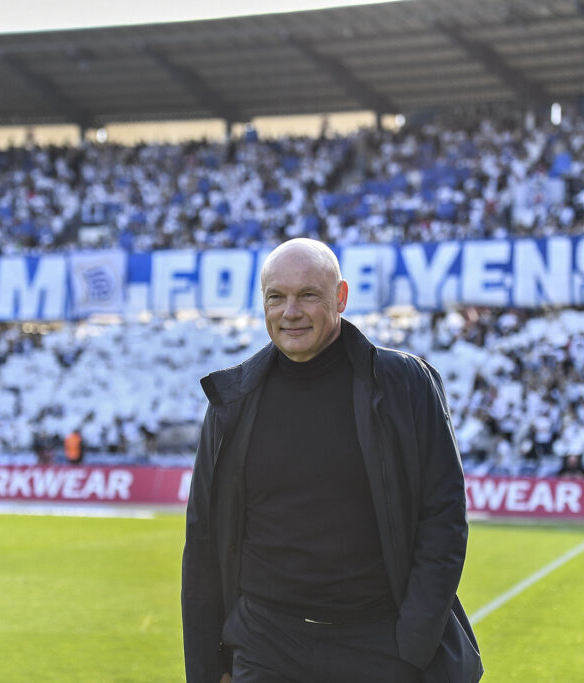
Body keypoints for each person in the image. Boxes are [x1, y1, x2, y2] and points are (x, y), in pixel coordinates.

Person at [182, 238, 482, 682]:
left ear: (340, 297)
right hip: (266, 646)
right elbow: (204, 541)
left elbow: (443, 520)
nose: (291, 312)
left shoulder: (404, 384)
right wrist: (211, 667)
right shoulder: (233, 399)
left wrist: (413, 646)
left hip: (378, 645)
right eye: (276, 297)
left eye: (308, 295)